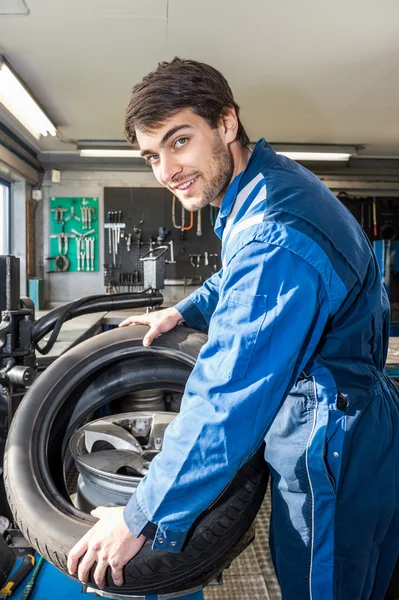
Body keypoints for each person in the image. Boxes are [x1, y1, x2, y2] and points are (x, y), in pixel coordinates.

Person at [67, 58, 399, 599]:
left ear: (225, 123)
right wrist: (185, 310)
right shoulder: (271, 186)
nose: (167, 171)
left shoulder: (272, 231)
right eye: (153, 156)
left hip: (330, 443)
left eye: (180, 142)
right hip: (363, 425)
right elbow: (237, 277)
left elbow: (228, 397)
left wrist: (137, 517)